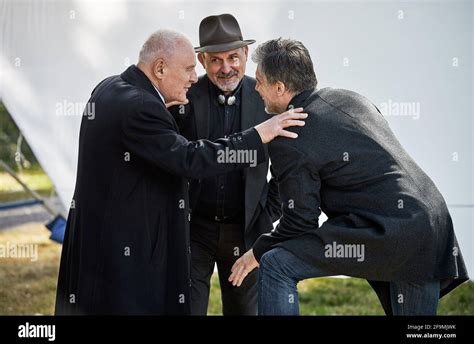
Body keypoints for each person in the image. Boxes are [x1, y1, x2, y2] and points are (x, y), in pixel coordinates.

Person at [54, 30, 307, 315]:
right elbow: (188, 157)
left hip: (103, 243)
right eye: (189, 69)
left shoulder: (111, 87)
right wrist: (256, 135)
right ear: (160, 68)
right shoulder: (142, 107)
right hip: (125, 247)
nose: (192, 78)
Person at [229, 38, 469, 315]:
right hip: (432, 223)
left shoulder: (289, 135)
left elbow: (300, 221)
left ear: (279, 87)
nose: (255, 88)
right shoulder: (349, 97)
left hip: (389, 230)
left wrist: (258, 250)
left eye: (259, 81)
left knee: (276, 263)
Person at [170, 14, 281, 316]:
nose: (226, 67)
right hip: (194, 228)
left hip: (246, 231)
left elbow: (288, 168)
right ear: (202, 60)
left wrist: (265, 214)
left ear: (246, 55)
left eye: (233, 57)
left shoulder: (267, 99)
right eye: (216, 60)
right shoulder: (183, 98)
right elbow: (170, 158)